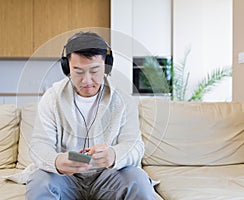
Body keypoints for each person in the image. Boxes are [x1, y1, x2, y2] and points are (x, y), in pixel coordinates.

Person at [26, 32, 156, 200]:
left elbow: (135, 146)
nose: (86, 80)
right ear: (67, 67)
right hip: (65, 178)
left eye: (94, 71)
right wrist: (57, 161)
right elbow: (39, 145)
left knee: (137, 179)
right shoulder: (51, 98)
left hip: (109, 176)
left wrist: (114, 155)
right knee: (39, 181)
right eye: (78, 71)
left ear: (106, 67)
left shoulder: (123, 100)